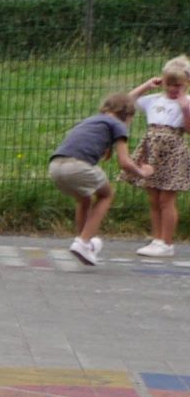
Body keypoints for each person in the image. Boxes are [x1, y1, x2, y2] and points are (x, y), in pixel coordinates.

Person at [50, 92, 133, 266]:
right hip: (77, 167)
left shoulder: (94, 120)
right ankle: (83, 242)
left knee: (84, 198)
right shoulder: (119, 124)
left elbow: (127, 99)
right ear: (127, 115)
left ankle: (83, 244)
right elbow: (124, 163)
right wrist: (143, 172)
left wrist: (148, 85)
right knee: (106, 195)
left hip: (55, 166)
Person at [129, 58, 188, 260]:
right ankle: (157, 239)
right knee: (153, 198)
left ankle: (167, 242)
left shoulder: (187, 102)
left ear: (186, 83)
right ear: (163, 81)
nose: (173, 88)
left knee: (166, 199)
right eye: (169, 84)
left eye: (178, 85)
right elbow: (128, 100)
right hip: (151, 150)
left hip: (173, 151)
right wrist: (147, 85)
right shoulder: (154, 99)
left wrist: (185, 108)